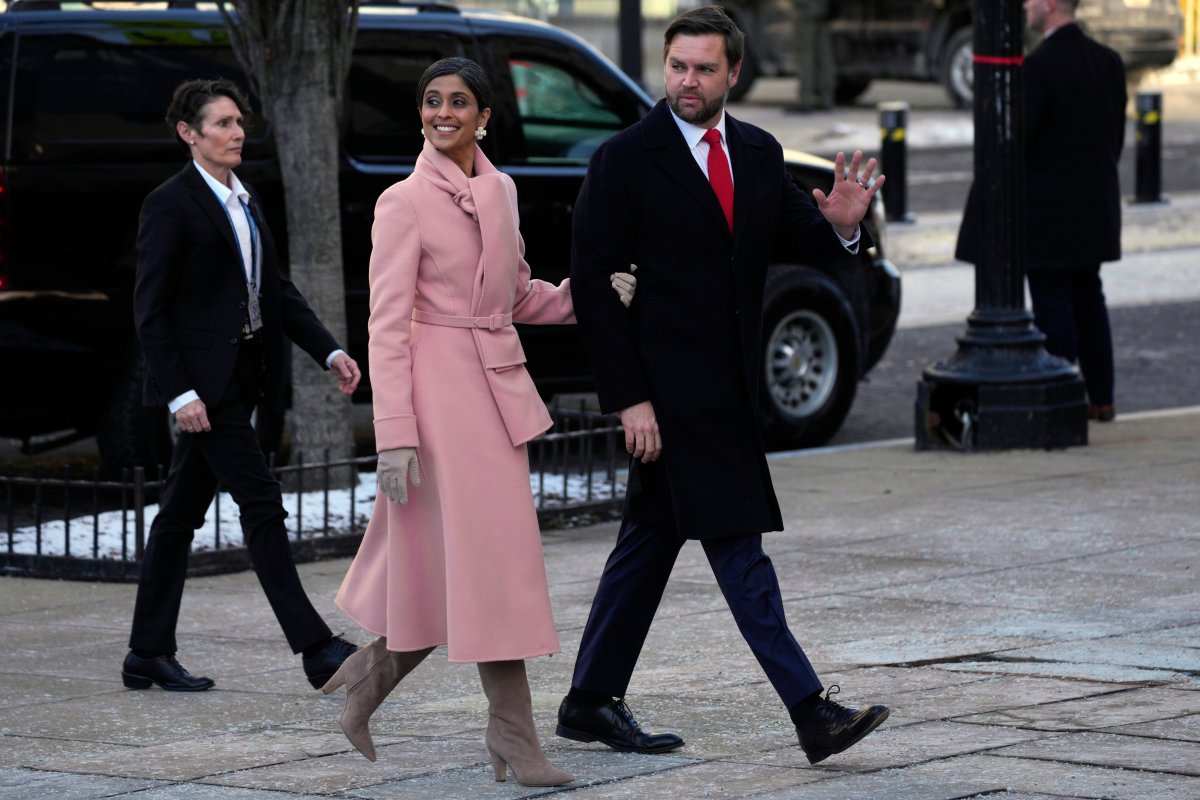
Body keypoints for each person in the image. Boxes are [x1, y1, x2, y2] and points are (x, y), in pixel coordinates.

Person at [560, 5, 890, 767]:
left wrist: (841, 225)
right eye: (678, 65)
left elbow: (797, 238)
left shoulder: (757, 150)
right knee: (741, 554)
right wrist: (629, 398)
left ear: (733, 73)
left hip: (728, 393)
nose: (688, 80)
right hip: (670, 401)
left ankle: (587, 700)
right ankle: (811, 711)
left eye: (705, 68)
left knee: (647, 546)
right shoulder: (624, 159)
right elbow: (593, 287)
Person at [324, 58, 636, 786]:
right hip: (435, 399)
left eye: (458, 102)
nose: (442, 113)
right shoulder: (401, 202)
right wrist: (394, 432)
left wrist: (592, 295)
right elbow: (385, 326)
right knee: (487, 570)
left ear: (483, 116)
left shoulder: (500, 190)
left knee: (461, 572)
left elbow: (517, 294)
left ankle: (369, 680)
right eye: (431, 101)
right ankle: (515, 740)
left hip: (494, 396)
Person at [123, 79, 363, 694]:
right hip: (206, 392)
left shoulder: (245, 200)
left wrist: (328, 350)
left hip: (246, 378)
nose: (237, 133)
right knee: (260, 503)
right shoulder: (169, 204)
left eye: (239, 122)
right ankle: (316, 648)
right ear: (189, 133)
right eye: (223, 123)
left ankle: (146, 652)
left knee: (177, 517)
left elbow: (275, 290)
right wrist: (180, 394)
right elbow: (150, 311)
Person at [957, 0, 1125, 422]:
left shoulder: (1038, 67)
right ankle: (1101, 397)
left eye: (1032, 0)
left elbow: (1013, 144)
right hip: (1094, 207)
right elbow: (1114, 138)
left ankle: (1062, 394)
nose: (1026, 6)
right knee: (1089, 297)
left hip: (1048, 215)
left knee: (1053, 304)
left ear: (1050, 5)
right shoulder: (1109, 62)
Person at [791, 0, 835, 111]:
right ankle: (827, 99)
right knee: (824, 55)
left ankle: (805, 100)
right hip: (823, 9)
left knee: (805, 54)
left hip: (807, 9)